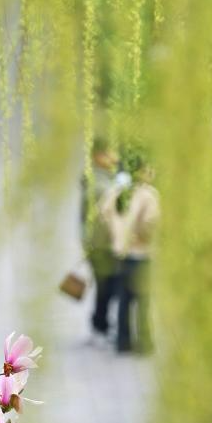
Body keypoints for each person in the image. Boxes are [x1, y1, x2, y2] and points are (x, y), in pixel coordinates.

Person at [101, 153, 160, 353]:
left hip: (121, 254)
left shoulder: (117, 191)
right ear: (141, 171)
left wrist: (116, 234)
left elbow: (104, 212)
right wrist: (138, 235)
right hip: (141, 255)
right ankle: (144, 342)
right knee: (143, 301)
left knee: (124, 300)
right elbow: (151, 223)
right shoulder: (148, 194)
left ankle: (123, 341)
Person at [80, 138, 118, 343]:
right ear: (97, 156)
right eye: (109, 153)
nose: (114, 157)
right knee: (105, 285)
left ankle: (101, 324)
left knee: (107, 285)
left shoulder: (106, 178)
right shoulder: (96, 181)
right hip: (101, 243)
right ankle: (99, 326)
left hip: (105, 242)